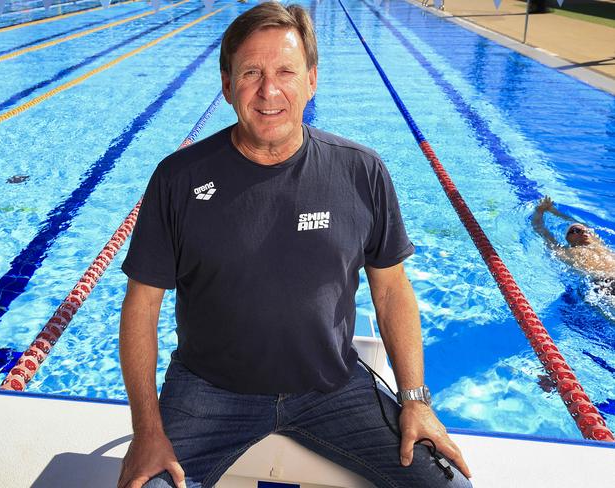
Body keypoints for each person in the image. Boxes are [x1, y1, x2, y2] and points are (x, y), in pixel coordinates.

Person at [117, 3, 472, 487]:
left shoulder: (359, 171)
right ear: (227, 86)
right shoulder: (179, 179)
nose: (269, 90)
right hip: (208, 393)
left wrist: (415, 400)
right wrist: (147, 430)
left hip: (332, 389)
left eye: (285, 71)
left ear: (311, 80)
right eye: (251, 73)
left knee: (449, 485)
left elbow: (391, 292)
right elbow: (141, 307)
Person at [533, 196, 615, 294]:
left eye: (586, 231)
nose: (583, 233)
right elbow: (540, 229)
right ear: (567, 238)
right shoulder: (563, 250)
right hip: (601, 283)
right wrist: (539, 211)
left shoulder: (599, 244)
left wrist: (554, 211)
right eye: (576, 230)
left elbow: (580, 224)